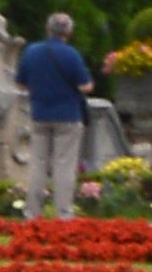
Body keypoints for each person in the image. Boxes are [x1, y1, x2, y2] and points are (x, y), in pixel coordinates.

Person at [16, 12, 97, 220]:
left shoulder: (32, 52)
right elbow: (85, 86)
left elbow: (20, 82)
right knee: (64, 164)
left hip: (39, 114)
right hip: (67, 115)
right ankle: (63, 212)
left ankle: (32, 212)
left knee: (37, 163)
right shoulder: (71, 55)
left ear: (48, 29)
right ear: (69, 32)